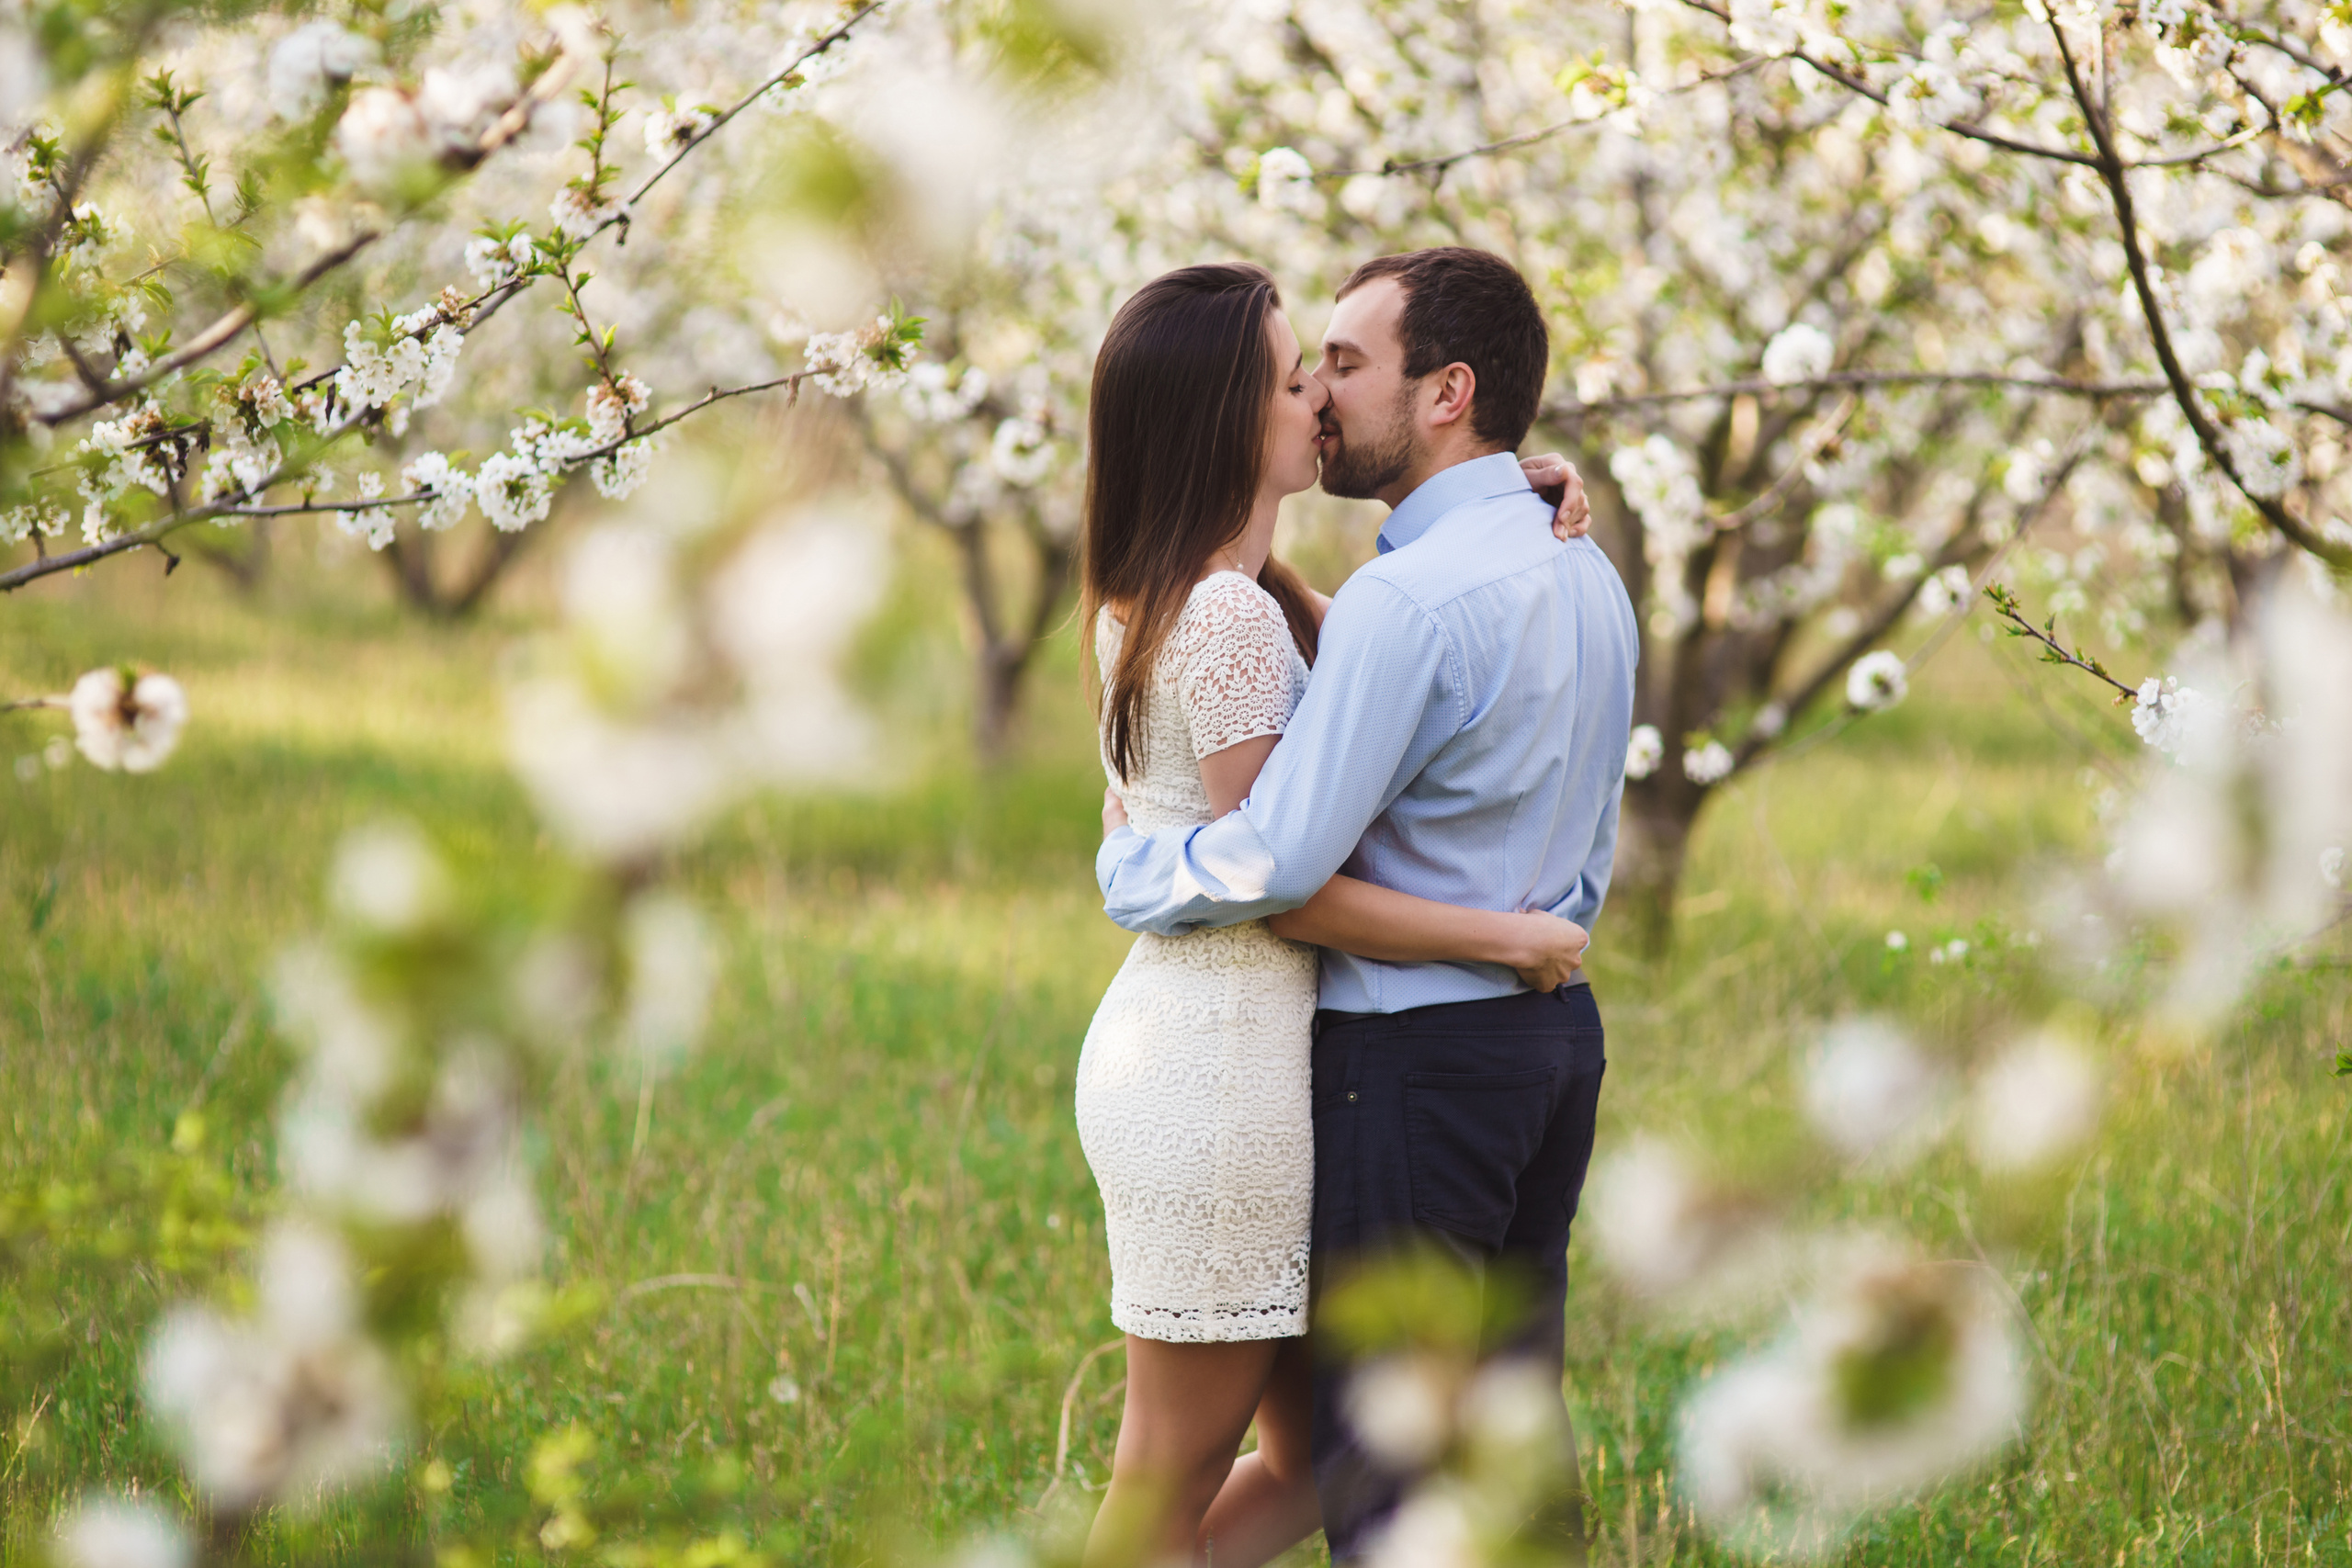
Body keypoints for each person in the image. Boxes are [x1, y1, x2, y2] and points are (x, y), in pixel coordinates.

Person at [1094, 247, 1640, 1564]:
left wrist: (1134, 869)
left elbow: (1270, 857)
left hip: (1412, 1062)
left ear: (1447, 392)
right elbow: (1277, 864)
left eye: (1338, 367)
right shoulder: (1585, 573)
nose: (1325, 400)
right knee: (1457, 1449)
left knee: (1380, 1467)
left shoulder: (1380, 598)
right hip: (1524, 1044)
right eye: (1305, 373)